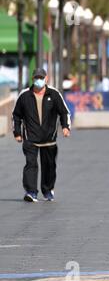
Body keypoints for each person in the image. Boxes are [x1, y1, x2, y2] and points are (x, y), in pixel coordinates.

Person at [12, 68, 71, 202]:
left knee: (49, 166)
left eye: (41, 78)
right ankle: (31, 192)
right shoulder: (24, 95)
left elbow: (64, 112)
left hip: (49, 138)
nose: (39, 80)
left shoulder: (54, 94)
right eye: (36, 78)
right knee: (30, 164)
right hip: (31, 138)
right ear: (33, 79)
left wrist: (65, 127)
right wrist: (17, 132)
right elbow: (16, 115)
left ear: (46, 78)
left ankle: (48, 190)